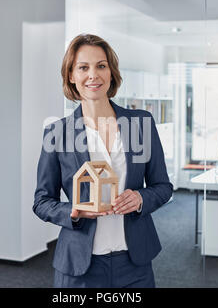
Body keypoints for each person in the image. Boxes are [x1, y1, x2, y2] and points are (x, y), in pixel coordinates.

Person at [33, 34, 173, 288]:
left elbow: (163, 187)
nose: (93, 75)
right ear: (71, 76)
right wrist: (74, 213)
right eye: (83, 67)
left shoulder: (141, 124)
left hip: (135, 264)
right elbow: (42, 202)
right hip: (79, 267)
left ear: (111, 72)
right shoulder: (57, 133)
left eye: (101, 65)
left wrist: (141, 198)